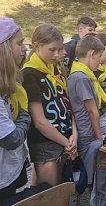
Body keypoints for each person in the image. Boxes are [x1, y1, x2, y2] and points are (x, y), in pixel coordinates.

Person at [22, 24, 78, 187]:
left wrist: (73, 134)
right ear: (36, 46)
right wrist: (67, 143)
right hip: (46, 143)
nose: (57, 54)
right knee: (51, 194)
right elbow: (39, 121)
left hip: (64, 139)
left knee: (61, 188)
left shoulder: (54, 69)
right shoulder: (30, 74)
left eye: (59, 49)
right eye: (52, 50)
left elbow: (67, 105)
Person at [67, 35, 106, 204]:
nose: (99, 62)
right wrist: (99, 138)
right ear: (91, 54)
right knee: (87, 177)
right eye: (98, 57)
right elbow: (92, 112)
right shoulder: (82, 77)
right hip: (88, 136)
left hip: (84, 133)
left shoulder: (78, 73)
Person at [0, 18, 30, 200]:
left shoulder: (9, 84)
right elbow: (11, 139)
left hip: (10, 169)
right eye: (19, 43)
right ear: (4, 49)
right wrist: (25, 117)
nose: (24, 49)